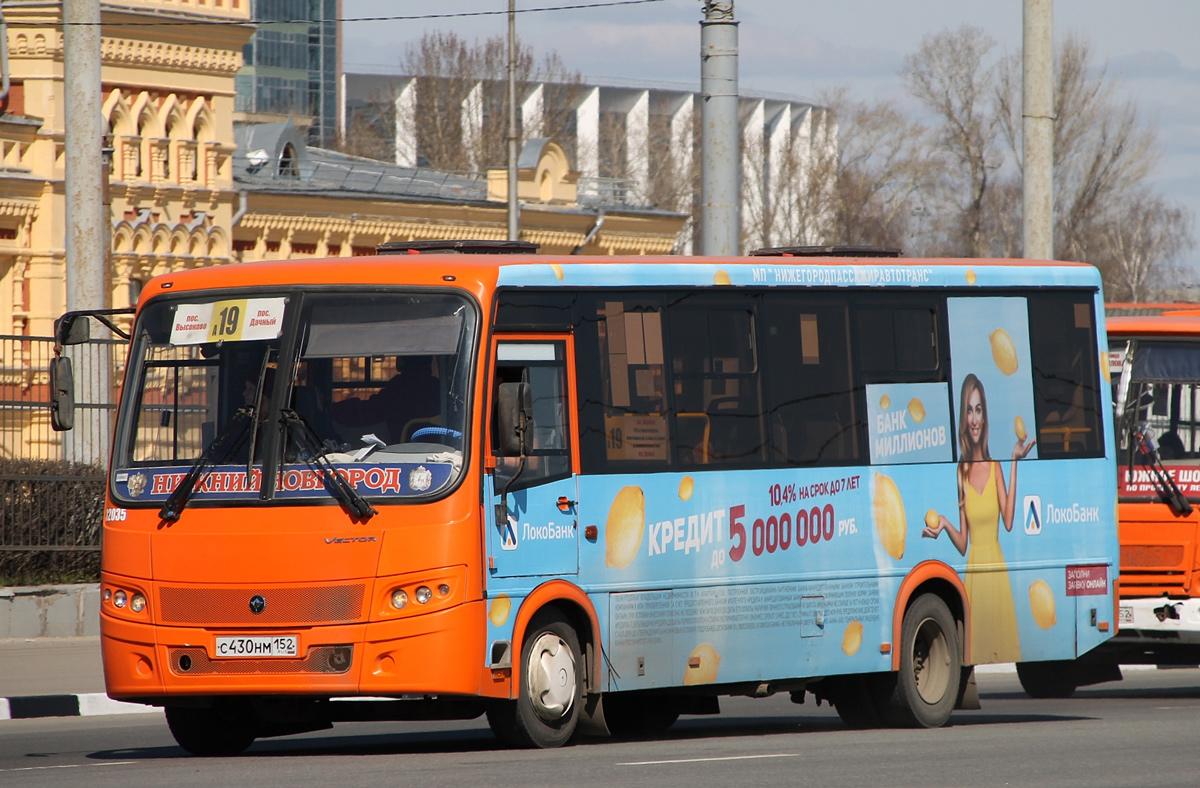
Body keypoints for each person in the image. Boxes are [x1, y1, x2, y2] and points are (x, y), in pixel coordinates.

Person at [923, 373, 1036, 664]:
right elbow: (963, 544)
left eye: (979, 409)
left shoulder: (996, 465)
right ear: (964, 417)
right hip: (974, 572)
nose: (974, 418)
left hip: (996, 572)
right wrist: (945, 524)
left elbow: (1009, 521)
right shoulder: (960, 471)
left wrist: (1014, 462)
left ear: (985, 417)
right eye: (969, 410)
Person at [332, 355, 440, 444]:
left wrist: (334, 410)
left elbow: (373, 411)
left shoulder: (401, 385)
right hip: (436, 446)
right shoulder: (437, 385)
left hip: (403, 447)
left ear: (404, 360)